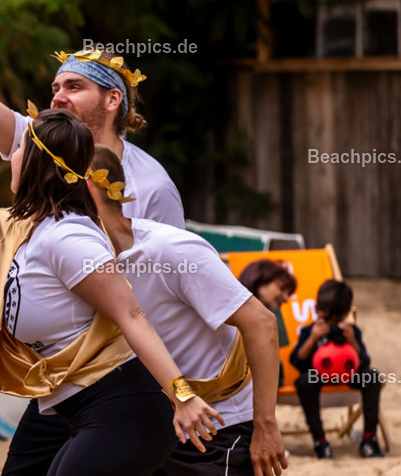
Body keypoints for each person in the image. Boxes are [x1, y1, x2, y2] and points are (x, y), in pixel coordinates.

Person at [0, 106, 222, 475]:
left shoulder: (69, 235)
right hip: (62, 404)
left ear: (36, 162)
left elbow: (132, 315)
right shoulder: (17, 226)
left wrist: (183, 395)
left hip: (125, 407)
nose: (9, 157)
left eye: (18, 148)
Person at [86, 145, 287, 476]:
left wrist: (265, 424)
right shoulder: (80, 261)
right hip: (155, 427)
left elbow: (262, 323)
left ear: (87, 188)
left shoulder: (171, 249)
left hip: (220, 426)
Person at [0, 43, 184, 229]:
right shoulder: (39, 143)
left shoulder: (152, 187)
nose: (57, 97)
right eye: (56, 88)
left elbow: (172, 277)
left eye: (74, 87)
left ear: (112, 99)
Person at [290, 279, 383, 459]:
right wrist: (312, 339)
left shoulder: (351, 330)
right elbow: (297, 361)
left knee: (372, 377)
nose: (331, 325)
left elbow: (364, 362)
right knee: (303, 382)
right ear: (317, 310)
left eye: (337, 320)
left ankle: (369, 438)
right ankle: (320, 440)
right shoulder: (310, 330)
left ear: (346, 314)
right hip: (318, 377)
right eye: (327, 319)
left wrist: (352, 341)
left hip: (348, 376)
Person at [239, 259, 297, 387]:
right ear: (259, 280)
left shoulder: (273, 315)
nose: (286, 298)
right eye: (282, 288)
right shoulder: (232, 312)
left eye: (289, 294)